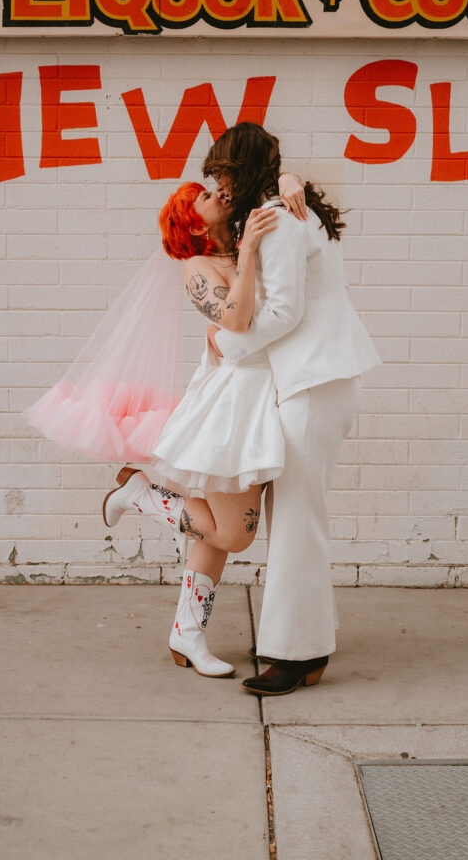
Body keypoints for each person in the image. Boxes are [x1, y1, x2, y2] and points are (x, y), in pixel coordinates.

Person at [197, 121, 383, 696]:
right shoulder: (294, 210)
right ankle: (304, 639)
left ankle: (297, 656)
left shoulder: (276, 221)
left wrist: (225, 344)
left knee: (299, 521)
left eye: (223, 174)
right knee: (298, 517)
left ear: (241, 171)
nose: (218, 186)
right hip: (324, 378)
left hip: (312, 380)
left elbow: (282, 315)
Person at [102, 179, 294, 679]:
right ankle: (142, 494)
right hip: (234, 406)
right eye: (204, 196)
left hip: (264, 396)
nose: (218, 194)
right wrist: (249, 249)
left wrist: (288, 184)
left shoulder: (247, 237)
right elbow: (236, 323)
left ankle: (187, 635)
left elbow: (278, 180)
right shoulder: (198, 268)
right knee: (235, 534)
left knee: (216, 531)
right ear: (192, 221)